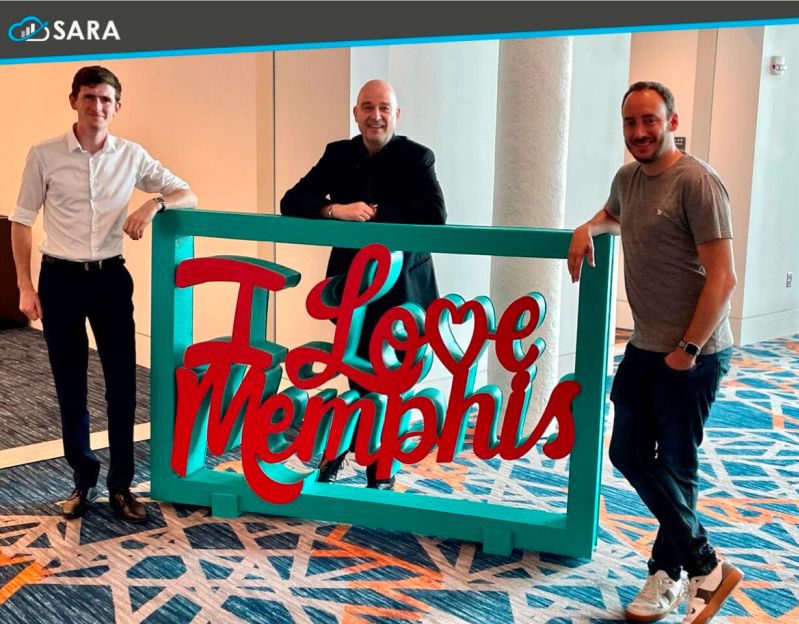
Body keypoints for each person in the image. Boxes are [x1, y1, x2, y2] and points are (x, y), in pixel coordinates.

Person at [567, 81, 742, 624]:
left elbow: (723, 278)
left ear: (671, 122)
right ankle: (706, 565)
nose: (640, 132)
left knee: (678, 464)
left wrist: (688, 349)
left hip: (694, 352)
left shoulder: (698, 182)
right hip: (643, 345)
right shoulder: (628, 179)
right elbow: (614, 214)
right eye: (631, 123)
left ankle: (667, 574)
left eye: (650, 120)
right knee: (627, 452)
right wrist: (587, 227)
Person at [10, 66, 198, 523]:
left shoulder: (131, 155)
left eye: (106, 99)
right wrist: (25, 285)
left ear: (117, 106)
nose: (98, 106)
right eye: (90, 97)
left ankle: (121, 486)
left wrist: (153, 204)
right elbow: (21, 220)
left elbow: (186, 193)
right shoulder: (44, 154)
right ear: (74, 100)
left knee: (122, 385)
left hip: (110, 279)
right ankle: (83, 479)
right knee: (70, 384)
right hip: (60, 280)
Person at [280, 79, 446, 489]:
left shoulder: (417, 157)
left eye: (384, 108)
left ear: (396, 114)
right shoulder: (339, 153)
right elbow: (291, 201)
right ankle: (352, 449)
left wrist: (373, 212)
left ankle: (377, 465)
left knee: (391, 377)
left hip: (404, 288)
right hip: (351, 284)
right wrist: (335, 210)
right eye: (368, 107)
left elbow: (434, 213)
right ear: (356, 113)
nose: (376, 116)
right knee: (356, 370)